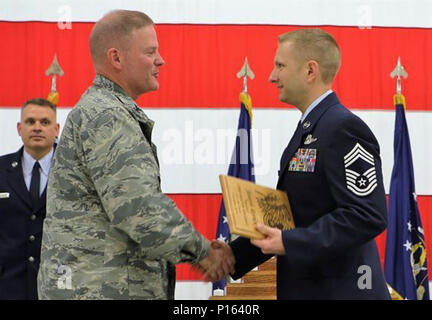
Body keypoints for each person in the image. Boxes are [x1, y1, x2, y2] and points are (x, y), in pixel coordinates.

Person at [37, 10, 233, 300]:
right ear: (116, 58)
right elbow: (138, 207)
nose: (160, 60)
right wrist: (202, 252)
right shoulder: (107, 115)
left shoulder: (105, 110)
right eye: (150, 51)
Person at [227, 28, 390, 299]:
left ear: (310, 71)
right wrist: (234, 255)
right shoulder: (311, 128)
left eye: (280, 66)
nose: (272, 76)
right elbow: (295, 214)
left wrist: (289, 242)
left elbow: (367, 214)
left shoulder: (343, 129)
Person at [0, 98, 59, 299]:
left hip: (59, 284)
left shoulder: (73, 172)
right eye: (30, 121)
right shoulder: (1, 169)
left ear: (56, 129)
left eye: (44, 122)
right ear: (19, 128)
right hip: (8, 286)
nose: (37, 128)